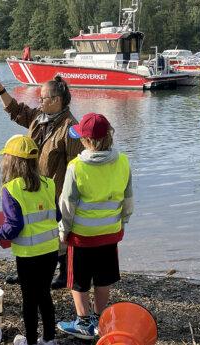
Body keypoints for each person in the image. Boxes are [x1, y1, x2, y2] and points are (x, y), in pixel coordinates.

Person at [0, 75, 83, 289]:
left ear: (57, 100)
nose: (39, 102)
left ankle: (64, 270)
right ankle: (25, 271)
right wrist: (1, 90)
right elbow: (16, 111)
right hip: (29, 188)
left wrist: (70, 199)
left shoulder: (71, 128)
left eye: (43, 98)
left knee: (55, 233)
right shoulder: (40, 118)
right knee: (27, 230)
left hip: (55, 192)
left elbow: (76, 167)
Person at [56, 113, 134, 340]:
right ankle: (101, 321)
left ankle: (83, 323)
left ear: (87, 141)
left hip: (82, 236)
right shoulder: (123, 161)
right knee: (103, 278)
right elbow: (128, 200)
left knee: (78, 280)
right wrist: (123, 222)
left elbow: (67, 204)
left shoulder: (76, 166)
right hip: (110, 234)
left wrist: (64, 231)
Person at [0, 135, 60, 345]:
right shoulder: (49, 183)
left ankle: (30, 341)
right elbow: (57, 216)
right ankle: (48, 339)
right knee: (45, 294)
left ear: (10, 161)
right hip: (50, 250)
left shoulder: (10, 189)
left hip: (28, 255)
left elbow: (14, 226)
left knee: (29, 299)